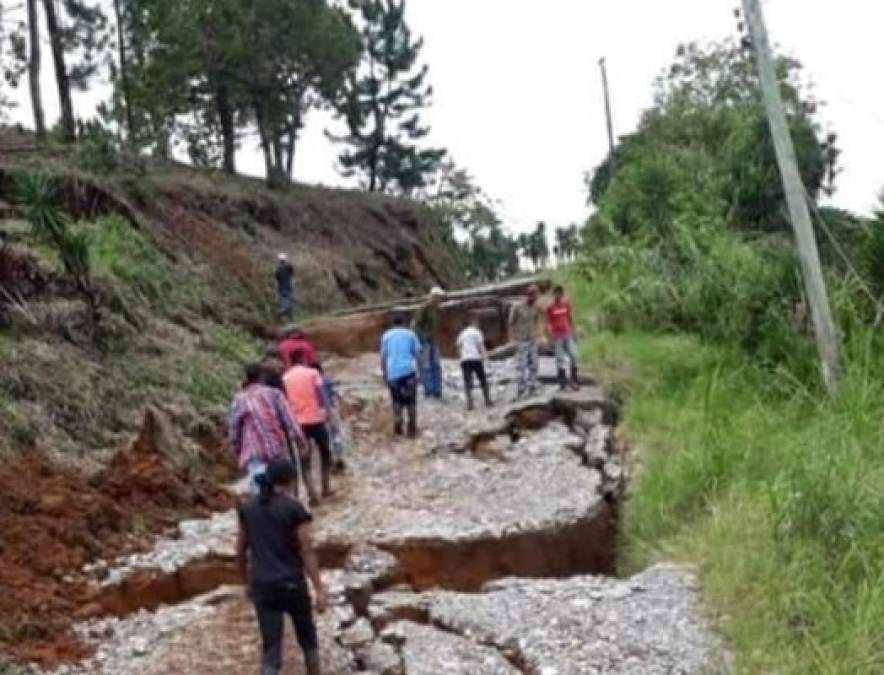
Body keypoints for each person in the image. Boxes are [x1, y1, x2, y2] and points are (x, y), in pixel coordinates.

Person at [236, 458, 327, 675]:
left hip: (263, 585)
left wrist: (246, 583)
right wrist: (319, 588)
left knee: (271, 647)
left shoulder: (247, 508)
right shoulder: (294, 508)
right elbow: (307, 550)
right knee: (307, 637)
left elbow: (240, 551)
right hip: (292, 583)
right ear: (289, 480)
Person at [229, 363, 307, 493]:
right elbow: (290, 419)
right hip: (277, 448)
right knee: (281, 487)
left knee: (260, 490)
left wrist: (237, 449)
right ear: (262, 376)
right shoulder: (274, 394)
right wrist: (301, 440)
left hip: (254, 452)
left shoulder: (239, 399)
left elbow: (234, 428)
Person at [283, 351, 332, 502]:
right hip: (316, 419)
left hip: (298, 423)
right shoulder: (312, 373)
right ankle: (325, 487)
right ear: (303, 359)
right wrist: (327, 410)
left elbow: (284, 400)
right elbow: (321, 393)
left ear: (290, 361)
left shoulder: (285, 377)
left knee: (304, 459)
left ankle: (312, 493)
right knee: (325, 452)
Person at [380, 313, 421, 437]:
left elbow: (383, 357)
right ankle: (412, 428)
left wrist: (384, 373)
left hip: (393, 372)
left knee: (396, 400)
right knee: (411, 401)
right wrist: (421, 372)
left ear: (393, 323)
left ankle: (398, 424)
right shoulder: (410, 334)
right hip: (409, 371)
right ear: (403, 323)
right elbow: (417, 354)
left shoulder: (386, 336)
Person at [508, 285, 544, 401]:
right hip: (521, 340)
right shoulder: (517, 307)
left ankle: (532, 387)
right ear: (529, 295)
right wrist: (512, 339)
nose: (536, 298)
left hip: (532, 339)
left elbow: (539, 320)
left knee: (534, 364)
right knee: (521, 366)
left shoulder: (537, 307)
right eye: (535, 295)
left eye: (537, 295)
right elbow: (511, 323)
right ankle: (521, 389)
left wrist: (540, 335)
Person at [546, 285, 581, 390]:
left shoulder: (566, 304)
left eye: (560, 293)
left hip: (567, 334)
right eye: (556, 293)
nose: (558, 295)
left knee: (574, 355)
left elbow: (570, 318)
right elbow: (547, 323)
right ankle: (562, 381)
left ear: (562, 294)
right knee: (560, 358)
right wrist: (549, 336)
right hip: (557, 336)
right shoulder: (550, 307)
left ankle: (574, 378)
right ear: (554, 295)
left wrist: (574, 331)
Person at [413, 286, 445, 400]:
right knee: (426, 366)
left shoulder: (436, 309)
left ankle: (437, 390)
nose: (440, 299)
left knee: (436, 365)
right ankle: (429, 390)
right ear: (433, 296)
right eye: (439, 297)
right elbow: (416, 325)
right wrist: (421, 338)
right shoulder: (424, 308)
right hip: (425, 340)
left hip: (433, 340)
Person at [456, 314, 492, 410]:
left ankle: (469, 403)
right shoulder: (477, 332)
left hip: (465, 359)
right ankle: (487, 400)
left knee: (467, 381)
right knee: (482, 379)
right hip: (475, 358)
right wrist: (485, 357)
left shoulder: (462, 333)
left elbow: (458, 346)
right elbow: (481, 346)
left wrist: (461, 357)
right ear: (475, 323)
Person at [315, 362, 346, 472]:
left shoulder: (310, 384)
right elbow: (334, 397)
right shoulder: (327, 381)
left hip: (317, 413)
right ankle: (339, 457)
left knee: (327, 438)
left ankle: (331, 460)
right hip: (331, 411)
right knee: (337, 435)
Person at [276, 254, 296, 320]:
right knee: (289, 303)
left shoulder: (278, 269)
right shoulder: (288, 268)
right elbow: (291, 270)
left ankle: (288, 316)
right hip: (288, 288)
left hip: (282, 289)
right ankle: (284, 313)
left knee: (285, 303)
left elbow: (277, 278)